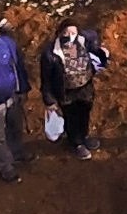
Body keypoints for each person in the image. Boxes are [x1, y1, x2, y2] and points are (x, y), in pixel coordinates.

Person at [39, 19, 107, 159]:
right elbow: (46, 79)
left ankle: (84, 136)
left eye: (73, 32)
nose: (69, 35)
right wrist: (49, 100)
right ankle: (76, 143)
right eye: (66, 32)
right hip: (66, 90)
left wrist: (101, 52)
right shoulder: (51, 53)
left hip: (85, 87)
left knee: (84, 112)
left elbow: (94, 41)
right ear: (59, 33)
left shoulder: (83, 40)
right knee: (71, 117)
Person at [0, 16, 29, 181]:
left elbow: (18, 66)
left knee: (15, 127)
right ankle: (5, 166)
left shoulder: (6, 44)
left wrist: (22, 89)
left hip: (12, 97)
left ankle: (17, 152)